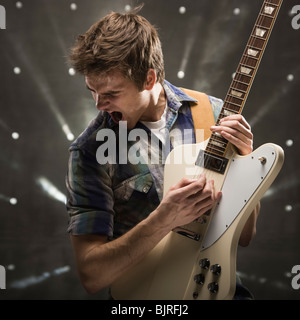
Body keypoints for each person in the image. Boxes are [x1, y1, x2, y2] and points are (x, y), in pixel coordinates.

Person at [65, 7, 260, 299]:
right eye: (92, 90)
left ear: (149, 79)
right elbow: (92, 276)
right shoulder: (90, 151)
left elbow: (244, 236)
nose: (98, 104)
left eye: (111, 94)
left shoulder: (215, 114)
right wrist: (163, 220)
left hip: (220, 289)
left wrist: (247, 164)